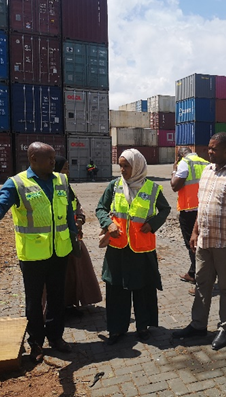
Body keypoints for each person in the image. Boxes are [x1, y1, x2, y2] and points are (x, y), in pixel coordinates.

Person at [0, 142, 76, 363]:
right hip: (33, 254)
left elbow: (68, 210)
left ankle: (56, 337)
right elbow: (2, 201)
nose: (52, 162)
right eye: (48, 158)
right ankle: (36, 342)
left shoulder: (61, 180)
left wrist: (74, 236)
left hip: (60, 250)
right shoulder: (17, 183)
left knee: (57, 298)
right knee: (34, 301)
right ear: (33, 160)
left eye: (53, 158)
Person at [172, 132, 226, 351]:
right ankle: (198, 325)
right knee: (202, 284)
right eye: (208, 148)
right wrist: (194, 232)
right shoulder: (207, 171)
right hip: (204, 241)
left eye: (213, 148)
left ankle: (225, 329)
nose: (209, 152)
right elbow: (202, 205)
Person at [96, 148, 170, 345]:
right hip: (118, 248)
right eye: (120, 166)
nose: (122, 170)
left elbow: (165, 209)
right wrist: (108, 224)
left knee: (143, 289)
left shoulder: (153, 189)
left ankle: (143, 326)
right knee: (116, 289)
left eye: (126, 166)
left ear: (137, 166)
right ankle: (116, 329)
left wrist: (152, 224)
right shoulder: (114, 186)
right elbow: (100, 208)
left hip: (142, 250)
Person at [54, 156, 102, 314]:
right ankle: (60, 306)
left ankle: (72, 303)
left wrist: (80, 220)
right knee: (63, 275)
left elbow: (77, 206)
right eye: (64, 168)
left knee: (77, 271)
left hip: (74, 237)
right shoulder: (51, 189)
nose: (67, 171)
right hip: (59, 240)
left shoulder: (67, 187)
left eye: (68, 168)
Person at [170, 147, 209, 295]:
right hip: (204, 209)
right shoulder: (205, 163)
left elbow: (174, 186)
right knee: (201, 243)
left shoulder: (184, 163)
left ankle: (201, 283)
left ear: (179, 156)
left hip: (189, 211)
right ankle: (192, 273)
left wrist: (174, 170)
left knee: (192, 245)